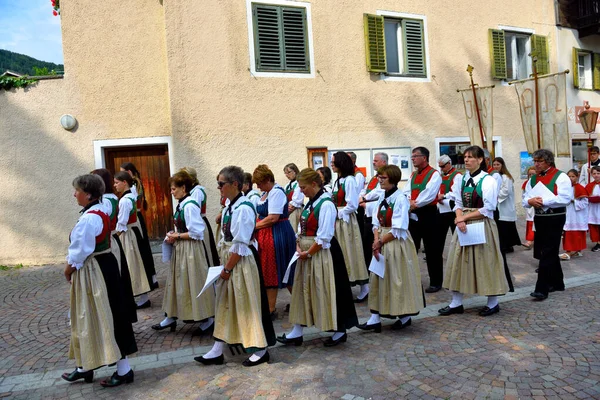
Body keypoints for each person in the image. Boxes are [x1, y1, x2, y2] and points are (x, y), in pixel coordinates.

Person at [194, 166, 275, 366]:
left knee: (247, 305)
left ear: (235, 185)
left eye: (222, 184)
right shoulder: (231, 205)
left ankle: (260, 348)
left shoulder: (244, 208)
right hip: (230, 260)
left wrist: (228, 268)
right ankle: (217, 349)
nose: (219, 188)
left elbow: (241, 244)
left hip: (241, 263)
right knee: (225, 304)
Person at [62, 174, 137, 387]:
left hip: (93, 271)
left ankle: (123, 370)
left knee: (101, 315)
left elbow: (79, 253)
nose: (74, 194)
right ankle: (85, 367)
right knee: (101, 315)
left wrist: (67, 271)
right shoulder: (100, 210)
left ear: (87, 194)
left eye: (77, 190)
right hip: (104, 267)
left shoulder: (89, 218)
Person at [277, 168, 358, 347]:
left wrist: (309, 252)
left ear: (314, 184)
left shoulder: (326, 204)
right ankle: (297, 331)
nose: (301, 191)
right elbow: (302, 227)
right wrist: (298, 244)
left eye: (303, 187)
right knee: (302, 291)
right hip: (306, 253)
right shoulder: (311, 202)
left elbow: (324, 236)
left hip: (321, 254)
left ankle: (339, 330)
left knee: (326, 290)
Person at [440, 146, 509, 316]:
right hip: (463, 224)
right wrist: (459, 217)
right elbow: (457, 202)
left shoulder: (488, 180)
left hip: (482, 224)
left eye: (471, 157)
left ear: (480, 160)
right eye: (465, 157)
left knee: (486, 262)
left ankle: (493, 303)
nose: (466, 160)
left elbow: (489, 207)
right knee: (458, 261)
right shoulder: (460, 179)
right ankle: (456, 302)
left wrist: (464, 218)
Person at [358, 165, 424, 332]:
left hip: (395, 242)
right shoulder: (381, 196)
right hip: (381, 239)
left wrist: (380, 242)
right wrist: (375, 240)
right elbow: (375, 221)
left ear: (393, 179)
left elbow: (399, 227)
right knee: (377, 277)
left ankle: (404, 315)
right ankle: (375, 317)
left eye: (383, 178)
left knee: (397, 278)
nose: (380, 180)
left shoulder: (400, 198)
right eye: (379, 177)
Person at [152, 171, 215, 334]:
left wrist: (177, 235)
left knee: (195, 281)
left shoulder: (190, 205)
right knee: (178, 283)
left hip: (191, 250)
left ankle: (209, 318)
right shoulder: (182, 204)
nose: (172, 192)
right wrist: (174, 235)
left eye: (174, 189)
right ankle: (171, 316)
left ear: (183, 188)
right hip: (182, 249)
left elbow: (196, 233)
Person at [523, 149, 572, 300]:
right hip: (540, 217)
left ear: (548, 162)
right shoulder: (533, 179)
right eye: (535, 161)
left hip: (555, 217)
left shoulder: (561, 176)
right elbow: (525, 198)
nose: (536, 164)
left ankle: (541, 288)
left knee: (547, 251)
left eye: (539, 161)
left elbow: (565, 198)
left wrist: (544, 201)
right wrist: (530, 201)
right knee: (548, 249)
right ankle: (557, 283)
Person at [91, 168, 137, 324]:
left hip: (109, 242)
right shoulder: (108, 199)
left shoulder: (108, 201)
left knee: (115, 281)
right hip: (111, 240)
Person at [253, 165, 297, 318]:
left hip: (277, 234)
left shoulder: (276, 193)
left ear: (267, 180)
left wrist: (253, 227)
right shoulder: (266, 193)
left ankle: (273, 309)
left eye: (259, 182)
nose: (257, 186)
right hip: (268, 234)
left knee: (279, 269)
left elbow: (273, 218)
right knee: (269, 269)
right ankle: (272, 306)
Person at [402, 147, 444, 293]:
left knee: (432, 250)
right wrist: (409, 202)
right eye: (412, 156)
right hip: (413, 215)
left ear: (424, 158)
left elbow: (429, 194)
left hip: (429, 215)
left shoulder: (434, 174)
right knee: (411, 248)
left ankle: (436, 281)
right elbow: (406, 191)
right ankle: (412, 279)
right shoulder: (413, 175)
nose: (412, 159)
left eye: (415, 156)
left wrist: (414, 204)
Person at [331, 152, 370, 300]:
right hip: (339, 220)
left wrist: (338, 213)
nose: (332, 165)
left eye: (334, 162)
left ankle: (363, 287)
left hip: (346, 220)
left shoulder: (349, 180)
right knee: (342, 252)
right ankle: (344, 285)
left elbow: (352, 205)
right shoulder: (338, 181)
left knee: (351, 251)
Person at [113, 172, 152, 308]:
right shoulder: (131, 196)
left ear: (125, 182)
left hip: (127, 234)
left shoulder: (125, 200)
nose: (115, 185)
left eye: (117, 182)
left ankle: (140, 297)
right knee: (135, 263)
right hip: (132, 232)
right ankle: (142, 297)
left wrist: (114, 236)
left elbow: (121, 223)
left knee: (132, 265)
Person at [120, 162, 158, 293]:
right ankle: (150, 278)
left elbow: (137, 199)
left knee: (142, 248)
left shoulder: (135, 184)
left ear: (129, 172)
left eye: (124, 172)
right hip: (135, 217)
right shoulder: (133, 185)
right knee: (142, 248)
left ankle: (150, 278)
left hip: (135, 218)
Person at [182, 166, 220, 267]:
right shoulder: (192, 191)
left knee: (204, 250)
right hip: (197, 222)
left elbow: (195, 210)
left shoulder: (197, 191)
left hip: (199, 222)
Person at [359, 152, 387, 273]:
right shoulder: (374, 177)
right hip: (368, 215)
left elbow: (380, 194)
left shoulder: (386, 177)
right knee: (366, 247)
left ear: (383, 162)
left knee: (375, 247)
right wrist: (361, 198)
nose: (373, 162)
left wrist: (365, 201)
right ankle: (369, 273)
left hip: (376, 216)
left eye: (376, 160)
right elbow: (365, 190)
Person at [492, 157, 521, 253]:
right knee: (502, 227)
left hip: (505, 205)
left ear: (502, 165)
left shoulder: (506, 177)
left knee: (506, 227)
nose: (496, 166)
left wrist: (494, 195)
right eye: (494, 165)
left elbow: (506, 191)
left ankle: (507, 246)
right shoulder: (495, 176)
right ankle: (505, 245)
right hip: (500, 206)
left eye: (498, 164)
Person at [560, 169, 589, 260]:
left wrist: (573, 201)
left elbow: (584, 203)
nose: (571, 178)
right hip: (567, 212)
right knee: (568, 232)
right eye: (569, 176)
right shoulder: (565, 187)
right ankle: (572, 250)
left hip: (577, 215)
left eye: (573, 176)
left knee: (577, 233)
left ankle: (571, 251)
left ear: (577, 177)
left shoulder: (580, 188)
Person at [436, 155, 462, 250]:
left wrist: (444, 196)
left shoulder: (457, 175)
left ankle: (459, 252)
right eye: (440, 167)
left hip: (452, 208)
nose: (441, 169)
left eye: (443, 166)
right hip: (442, 208)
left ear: (449, 163)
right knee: (439, 234)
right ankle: (437, 253)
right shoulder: (441, 176)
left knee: (456, 233)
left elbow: (457, 192)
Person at [284, 163, 305, 233]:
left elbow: (296, 200)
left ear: (295, 171)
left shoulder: (299, 183)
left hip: (295, 211)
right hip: (288, 211)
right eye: (285, 173)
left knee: (294, 230)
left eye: (289, 172)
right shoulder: (287, 185)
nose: (287, 175)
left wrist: (288, 209)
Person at [585, 166, 600, 252]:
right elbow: (585, 197)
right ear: (591, 174)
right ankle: (597, 241)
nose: (596, 175)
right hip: (593, 208)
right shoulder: (589, 185)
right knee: (595, 226)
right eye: (594, 173)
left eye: (598, 173)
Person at [521, 166, 536, 250]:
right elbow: (523, 194)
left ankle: (532, 240)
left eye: (533, 174)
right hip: (530, 205)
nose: (531, 176)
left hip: (537, 205)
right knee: (530, 223)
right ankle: (529, 240)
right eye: (529, 174)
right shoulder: (526, 183)